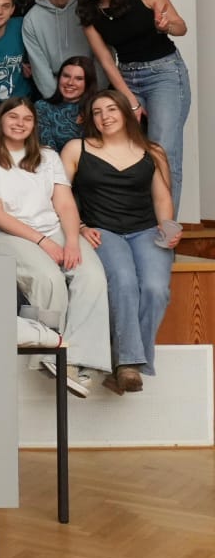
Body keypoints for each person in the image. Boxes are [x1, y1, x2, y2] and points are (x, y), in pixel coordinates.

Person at [0, 96, 110, 395]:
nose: (20, 123)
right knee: (48, 279)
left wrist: (72, 241)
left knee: (92, 277)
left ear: (34, 124)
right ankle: (49, 355)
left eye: (27, 118)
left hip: (55, 229)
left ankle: (79, 359)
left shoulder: (48, 157)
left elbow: (65, 204)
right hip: (5, 233)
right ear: (0, 121)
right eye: (13, 117)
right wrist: (43, 241)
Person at [61, 90, 178, 394]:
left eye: (111, 109)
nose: (105, 117)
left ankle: (129, 362)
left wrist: (169, 229)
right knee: (124, 281)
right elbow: (60, 197)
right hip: (102, 230)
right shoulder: (77, 148)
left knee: (155, 289)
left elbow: (162, 197)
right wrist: (81, 227)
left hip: (146, 231)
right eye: (97, 112)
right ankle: (128, 365)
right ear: (90, 119)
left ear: (127, 113)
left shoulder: (152, 151)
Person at [75, 0, 191, 212]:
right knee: (124, 144)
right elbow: (105, 60)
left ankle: (166, 226)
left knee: (163, 149)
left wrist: (165, 27)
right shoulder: (88, 13)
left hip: (165, 74)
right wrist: (131, 101)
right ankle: (135, 221)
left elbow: (181, 26)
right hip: (127, 75)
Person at [21, 0, 90, 100]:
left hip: (93, 90)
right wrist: (56, 99)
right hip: (54, 93)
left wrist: (95, 94)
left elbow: (103, 55)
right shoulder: (32, 19)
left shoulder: (90, 6)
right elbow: (39, 67)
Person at [36, 55, 96, 151]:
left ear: (88, 83)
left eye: (79, 78)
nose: (70, 82)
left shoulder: (96, 108)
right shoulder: (43, 107)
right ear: (59, 78)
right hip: (56, 163)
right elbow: (48, 150)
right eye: (66, 76)